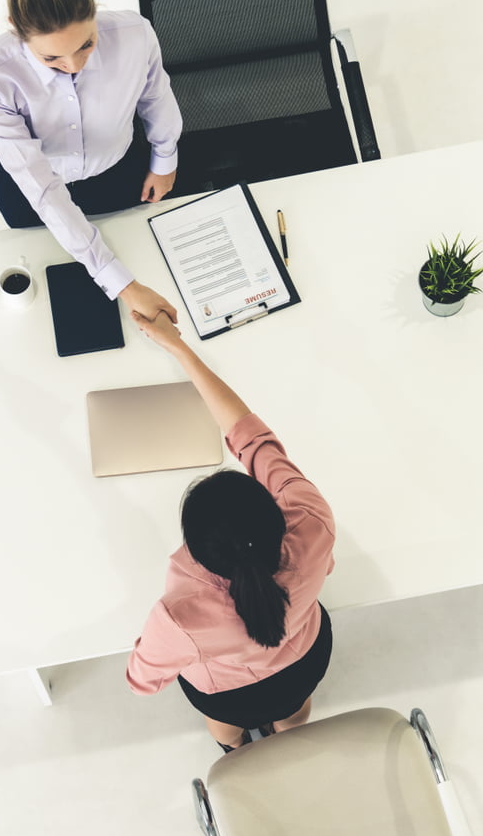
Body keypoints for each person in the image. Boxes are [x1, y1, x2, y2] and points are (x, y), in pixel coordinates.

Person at [126, 312, 336, 751]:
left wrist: (155, 641)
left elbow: (141, 681)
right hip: (303, 663)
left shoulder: (178, 616)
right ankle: (291, 740)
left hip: (229, 696)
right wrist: (181, 350)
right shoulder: (312, 521)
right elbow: (255, 441)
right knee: (295, 712)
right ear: (276, 516)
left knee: (224, 727)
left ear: (198, 553)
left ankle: (236, 751)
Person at [0, 0, 183, 322]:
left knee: (144, 250)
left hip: (118, 170)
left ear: (95, 8)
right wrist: (124, 286)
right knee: (48, 286)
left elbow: (155, 96)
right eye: (51, 59)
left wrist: (164, 159)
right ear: (17, 33)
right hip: (30, 190)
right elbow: (43, 189)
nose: (73, 65)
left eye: (86, 45)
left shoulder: (135, 34)